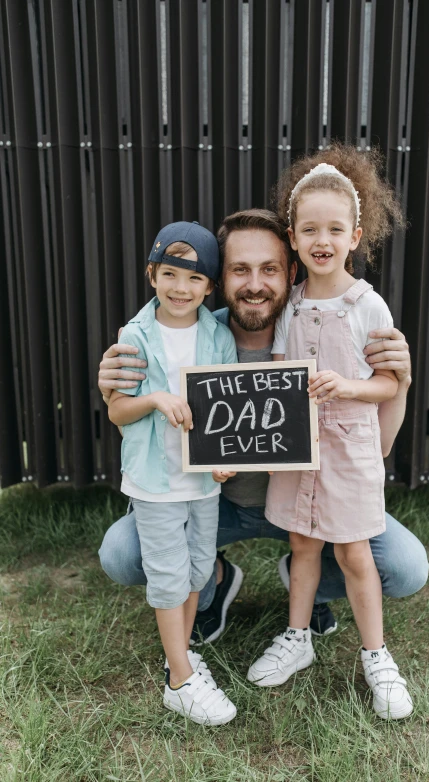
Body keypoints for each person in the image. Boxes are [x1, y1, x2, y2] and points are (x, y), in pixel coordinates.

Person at [98, 209, 428, 649]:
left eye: (269, 269)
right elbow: (145, 436)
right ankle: (211, 580)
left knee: (405, 566)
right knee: (122, 553)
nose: (255, 284)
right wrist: (115, 396)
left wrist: (399, 385)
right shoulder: (188, 336)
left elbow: (381, 445)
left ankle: (306, 584)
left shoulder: (324, 335)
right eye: (240, 270)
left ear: (291, 271)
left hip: (309, 504)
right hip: (213, 505)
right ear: (219, 278)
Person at [247, 145, 413, 720]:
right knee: (302, 546)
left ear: (356, 235)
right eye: (310, 228)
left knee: (355, 552)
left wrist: (348, 387)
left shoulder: (366, 305)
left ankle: (377, 656)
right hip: (298, 447)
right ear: (292, 237)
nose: (323, 239)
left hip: (347, 449)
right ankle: (297, 639)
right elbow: (276, 368)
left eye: (335, 229)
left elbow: (389, 384)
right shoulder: (288, 304)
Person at [107, 221, 238, 726]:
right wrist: (156, 399)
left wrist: (225, 456)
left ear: (210, 287)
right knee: (167, 577)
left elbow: (226, 409)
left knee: (197, 571)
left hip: (202, 481)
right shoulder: (135, 335)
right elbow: (119, 411)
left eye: (194, 279)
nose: (180, 289)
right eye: (169, 275)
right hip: (156, 484)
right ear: (151, 276)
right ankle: (180, 680)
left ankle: (177, 653)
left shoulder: (217, 336)